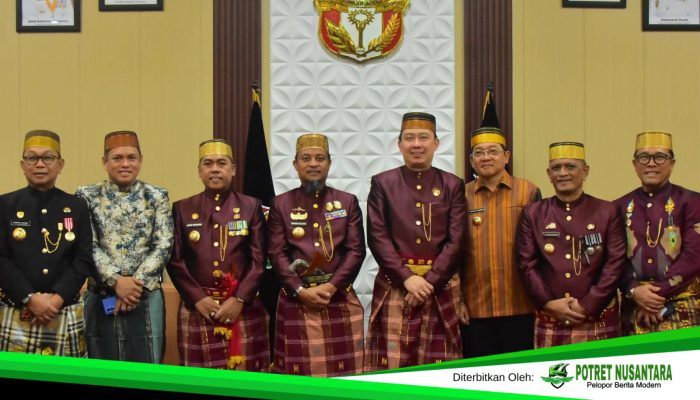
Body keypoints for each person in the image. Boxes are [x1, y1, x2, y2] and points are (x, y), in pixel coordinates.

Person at [365, 112, 466, 370]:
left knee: (440, 367)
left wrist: (430, 281)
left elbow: (456, 240)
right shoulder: (383, 183)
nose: (416, 144)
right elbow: (377, 237)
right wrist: (407, 278)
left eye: (424, 137)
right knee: (392, 365)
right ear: (399, 144)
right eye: (409, 138)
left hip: (440, 286)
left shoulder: (452, 184)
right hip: (396, 285)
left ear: (436, 143)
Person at [267, 133, 366, 376]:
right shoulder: (281, 204)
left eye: (320, 158)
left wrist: (331, 287)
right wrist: (300, 290)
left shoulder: (347, 202)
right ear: (295, 164)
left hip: (338, 296)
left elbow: (356, 251)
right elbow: (276, 254)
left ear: (329, 163)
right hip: (296, 299)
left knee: (345, 377)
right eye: (306, 158)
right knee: (296, 377)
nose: (313, 163)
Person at [167, 139, 269, 371]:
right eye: (208, 163)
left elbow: (259, 260)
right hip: (198, 308)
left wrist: (239, 299)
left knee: (248, 380)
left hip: (243, 307)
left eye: (222, 163)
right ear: (199, 171)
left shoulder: (251, 206)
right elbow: (175, 260)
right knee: (199, 381)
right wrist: (198, 298)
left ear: (233, 169)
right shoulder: (182, 208)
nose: (215, 169)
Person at [76, 131, 173, 363]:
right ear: (105, 162)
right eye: (117, 158)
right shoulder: (87, 195)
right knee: (101, 366)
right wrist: (116, 281)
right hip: (101, 294)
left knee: (147, 367)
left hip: (145, 295)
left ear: (141, 160)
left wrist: (133, 286)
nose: (125, 164)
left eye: (131, 157)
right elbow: (87, 244)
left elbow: (164, 243)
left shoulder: (156, 195)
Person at [517, 142, 626, 347]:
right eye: (556, 168)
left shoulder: (607, 211)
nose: (563, 173)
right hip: (551, 313)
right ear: (549, 174)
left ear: (585, 171)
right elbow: (526, 264)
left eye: (570, 166)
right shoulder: (533, 213)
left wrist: (589, 304)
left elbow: (615, 263)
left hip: (597, 313)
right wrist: (548, 303)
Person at [0, 130, 93, 356]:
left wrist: (56, 299)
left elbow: (83, 259)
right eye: (32, 158)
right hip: (16, 308)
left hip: (63, 308)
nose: (40, 164)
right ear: (22, 165)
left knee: (67, 374)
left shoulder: (77, 206)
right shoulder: (5, 205)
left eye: (48, 157)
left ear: (60, 165)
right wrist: (29, 298)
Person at [460, 127, 541, 357]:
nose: (486, 157)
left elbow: (540, 248)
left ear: (506, 156)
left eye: (493, 151)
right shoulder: (461, 195)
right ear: (471, 161)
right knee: (480, 374)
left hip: (521, 305)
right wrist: (459, 301)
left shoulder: (528, 191)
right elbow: (454, 250)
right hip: (475, 307)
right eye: (479, 153)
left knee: (519, 373)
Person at [614, 131, 700, 335]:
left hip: (683, 304)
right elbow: (614, 258)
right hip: (634, 306)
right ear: (635, 164)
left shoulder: (693, 202)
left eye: (660, 157)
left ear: (672, 163)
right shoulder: (618, 207)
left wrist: (654, 296)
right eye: (644, 157)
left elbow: (694, 256)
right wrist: (635, 290)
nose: (651, 163)